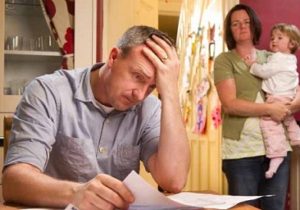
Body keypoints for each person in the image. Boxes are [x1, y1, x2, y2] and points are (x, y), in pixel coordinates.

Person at [2, 25, 190, 210]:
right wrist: (75, 194)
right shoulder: (48, 92)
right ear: (113, 57)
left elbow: (173, 181)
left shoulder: (149, 108)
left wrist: (170, 91)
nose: (140, 95)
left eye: (152, 87)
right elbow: (13, 182)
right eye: (138, 77)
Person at [213, 4, 300, 210]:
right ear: (230, 30)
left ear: (255, 25)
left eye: (247, 22)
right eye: (235, 23)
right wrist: (270, 109)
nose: (242, 26)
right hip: (241, 152)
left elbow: (295, 86)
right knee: (245, 208)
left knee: (275, 207)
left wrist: (291, 106)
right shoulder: (224, 61)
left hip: (277, 149)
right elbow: (230, 104)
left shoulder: (271, 57)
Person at [244, 23, 300, 179]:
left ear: (292, 44)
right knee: (287, 119)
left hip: (277, 96)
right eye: (272, 37)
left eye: (280, 38)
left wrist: (252, 65)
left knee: (269, 123)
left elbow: (265, 71)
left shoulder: (279, 58)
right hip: (287, 95)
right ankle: (296, 137)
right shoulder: (290, 59)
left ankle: (276, 155)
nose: (274, 40)